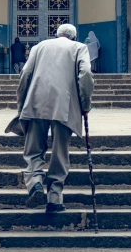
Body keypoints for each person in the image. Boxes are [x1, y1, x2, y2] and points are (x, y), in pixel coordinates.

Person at [16, 23, 94, 213]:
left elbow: (25, 74)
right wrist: (85, 104)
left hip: (36, 102)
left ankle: (35, 181)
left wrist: (22, 104)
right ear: (74, 37)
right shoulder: (79, 48)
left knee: (33, 150)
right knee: (60, 153)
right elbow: (85, 75)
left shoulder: (39, 46)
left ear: (56, 34)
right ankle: (54, 198)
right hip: (64, 106)